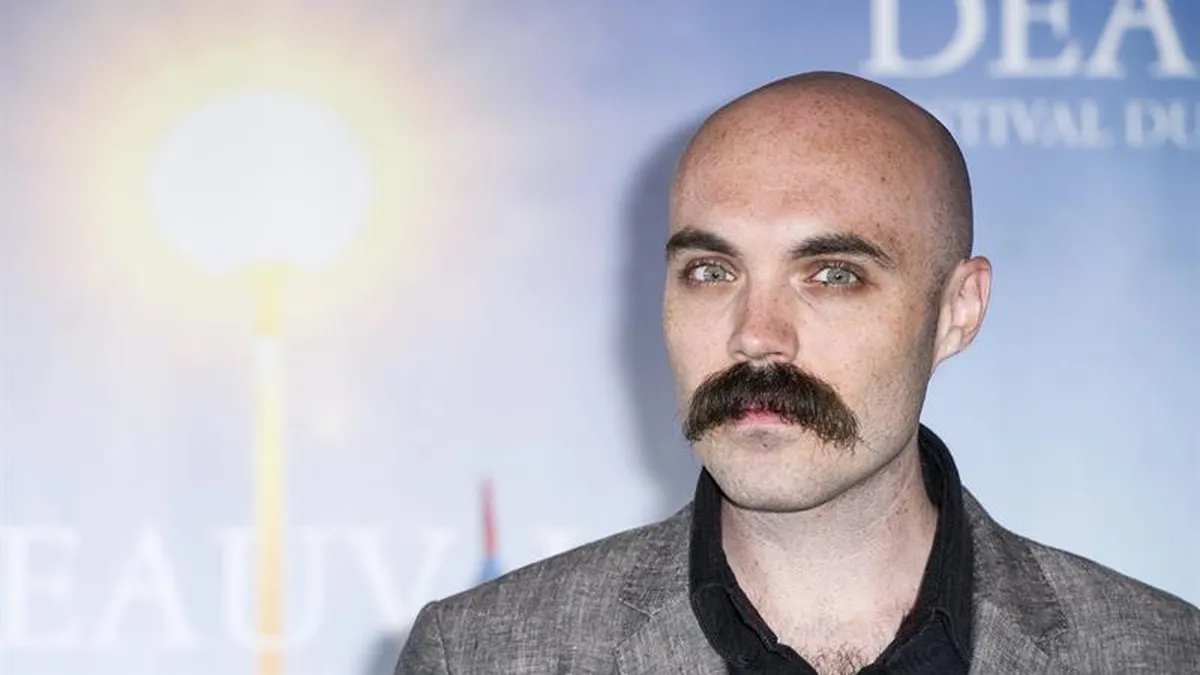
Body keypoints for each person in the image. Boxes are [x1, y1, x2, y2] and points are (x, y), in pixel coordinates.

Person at [394, 71, 1200, 675]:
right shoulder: (481, 654)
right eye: (712, 271)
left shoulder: (1163, 653)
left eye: (833, 275)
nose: (756, 335)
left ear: (958, 310)